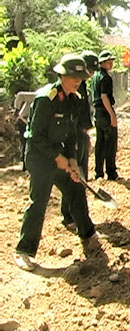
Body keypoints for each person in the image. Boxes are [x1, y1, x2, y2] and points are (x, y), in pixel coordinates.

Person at [13, 54, 99, 272]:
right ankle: (23, 251)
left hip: (60, 155)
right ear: (61, 75)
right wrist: (57, 157)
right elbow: (35, 136)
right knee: (38, 202)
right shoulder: (45, 99)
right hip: (40, 158)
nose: (77, 80)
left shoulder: (75, 100)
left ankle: (88, 235)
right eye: (73, 76)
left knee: (76, 189)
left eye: (80, 76)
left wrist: (71, 159)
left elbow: (70, 134)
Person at [61, 50, 99, 231]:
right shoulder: (72, 90)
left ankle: (79, 214)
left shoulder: (83, 87)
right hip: (74, 136)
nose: (91, 73)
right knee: (73, 176)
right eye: (90, 69)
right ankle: (68, 216)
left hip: (82, 135)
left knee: (82, 174)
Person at [92, 50, 119, 180]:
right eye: (109, 61)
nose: (111, 63)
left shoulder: (95, 76)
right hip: (105, 112)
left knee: (100, 143)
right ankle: (111, 171)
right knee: (110, 143)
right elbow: (104, 97)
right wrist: (112, 116)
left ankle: (98, 172)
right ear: (103, 62)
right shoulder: (106, 78)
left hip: (97, 113)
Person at [14, 91, 37, 171]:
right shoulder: (38, 96)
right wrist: (16, 110)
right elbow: (20, 95)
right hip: (24, 121)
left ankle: (27, 165)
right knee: (27, 143)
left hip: (29, 121)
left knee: (29, 144)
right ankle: (26, 166)